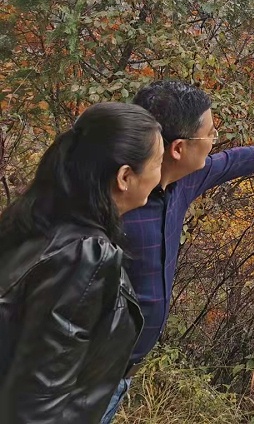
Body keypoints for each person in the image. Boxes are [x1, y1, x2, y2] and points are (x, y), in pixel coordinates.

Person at [101, 80, 254, 422]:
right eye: (210, 135)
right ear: (177, 148)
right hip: (82, 376)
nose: (214, 142)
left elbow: (233, 161)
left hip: (120, 374)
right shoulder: (111, 202)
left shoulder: (180, 180)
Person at [0, 102, 164, 424]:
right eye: (157, 164)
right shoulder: (85, 257)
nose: (160, 178)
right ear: (125, 177)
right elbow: (36, 402)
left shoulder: (39, 219)